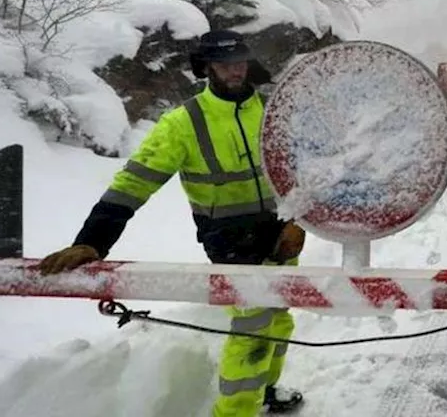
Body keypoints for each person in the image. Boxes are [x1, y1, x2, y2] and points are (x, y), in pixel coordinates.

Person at [38, 29, 307, 416]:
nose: (235, 71)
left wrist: (298, 218)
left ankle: (264, 392)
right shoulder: (183, 124)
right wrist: (93, 241)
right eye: (224, 64)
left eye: (240, 62)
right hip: (231, 241)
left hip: (283, 235)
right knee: (253, 327)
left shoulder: (274, 110)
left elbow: (307, 171)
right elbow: (132, 183)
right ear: (207, 68)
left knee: (278, 318)